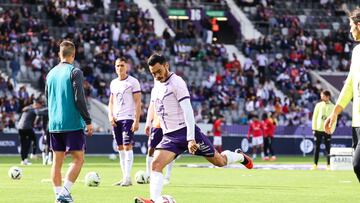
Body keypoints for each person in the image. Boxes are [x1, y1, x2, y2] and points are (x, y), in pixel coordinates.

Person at [134, 54, 253, 203]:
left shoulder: (177, 83)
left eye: (159, 71)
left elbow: (188, 111)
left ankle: (240, 156)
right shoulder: (157, 83)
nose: (157, 76)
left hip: (187, 132)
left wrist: (190, 138)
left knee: (219, 162)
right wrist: (150, 122)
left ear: (166, 65)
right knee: (155, 164)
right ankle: (154, 199)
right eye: (153, 73)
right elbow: (154, 102)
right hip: (170, 136)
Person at [46, 40, 93, 203]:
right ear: (73, 55)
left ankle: (58, 195)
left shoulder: (50, 73)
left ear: (60, 54)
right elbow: (79, 98)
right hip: (71, 122)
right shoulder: (75, 72)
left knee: (57, 162)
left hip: (54, 123)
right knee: (79, 158)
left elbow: (48, 99)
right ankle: (64, 193)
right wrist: (88, 120)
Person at [325, 8, 360, 182]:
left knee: (358, 164)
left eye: (351, 26)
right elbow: (349, 86)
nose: (350, 30)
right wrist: (335, 112)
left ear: (359, 25)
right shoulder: (357, 52)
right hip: (357, 123)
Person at [108, 57, 141, 187]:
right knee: (120, 148)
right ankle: (124, 177)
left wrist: (136, 120)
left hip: (128, 117)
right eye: (117, 66)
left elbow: (138, 102)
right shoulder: (113, 83)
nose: (120, 68)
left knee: (127, 147)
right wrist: (110, 115)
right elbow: (111, 101)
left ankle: (128, 178)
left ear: (126, 66)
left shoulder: (133, 82)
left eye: (122, 65)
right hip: (116, 118)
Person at [145, 93, 174, 185]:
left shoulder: (174, 86)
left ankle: (167, 177)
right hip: (156, 125)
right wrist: (148, 122)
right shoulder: (155, 89)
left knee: (171, 151)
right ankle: (148, 174)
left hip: (171, 125)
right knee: (151, 149)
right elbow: (151, 106)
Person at [312, 90, 335, 170]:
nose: (321, 97)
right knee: (317, 147)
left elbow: (334, 119)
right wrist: (314, 129)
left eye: (323, 96)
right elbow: (314, 117)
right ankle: (315, 164)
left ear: (328, 96)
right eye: (321, 96)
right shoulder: (318, 105)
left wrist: (331, 130)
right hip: (318, 129)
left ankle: (328, 165)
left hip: (327, 130)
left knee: (328, 148)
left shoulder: (333, 106)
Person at [17, 99, 43, 165]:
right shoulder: (34, 110)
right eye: (40, 105)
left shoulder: (28, 108)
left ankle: (23, 160)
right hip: (27, 128)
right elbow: (38, 113)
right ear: (37, 104)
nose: (40, 107)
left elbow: (24, 110)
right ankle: (33, 154)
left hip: (20, 127)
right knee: (32, 141)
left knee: (23, 144)